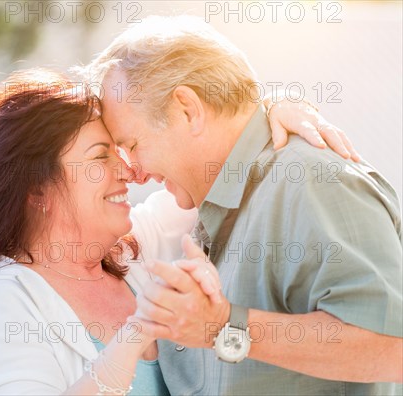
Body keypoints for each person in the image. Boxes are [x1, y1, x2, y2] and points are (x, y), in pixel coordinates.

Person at [0, 68, 358, 395]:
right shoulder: (1, 302)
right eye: (101, 156)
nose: (127, 171)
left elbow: (216, 168)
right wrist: (132, 338)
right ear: (36, 189)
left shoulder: (138, 249)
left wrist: (272, 108)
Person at [87, 15, 403, 395]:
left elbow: (392, 346)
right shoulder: (213, 207)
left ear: (188, 109)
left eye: (133, 146)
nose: (133, 173)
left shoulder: (310, 183)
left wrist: (223, 326)